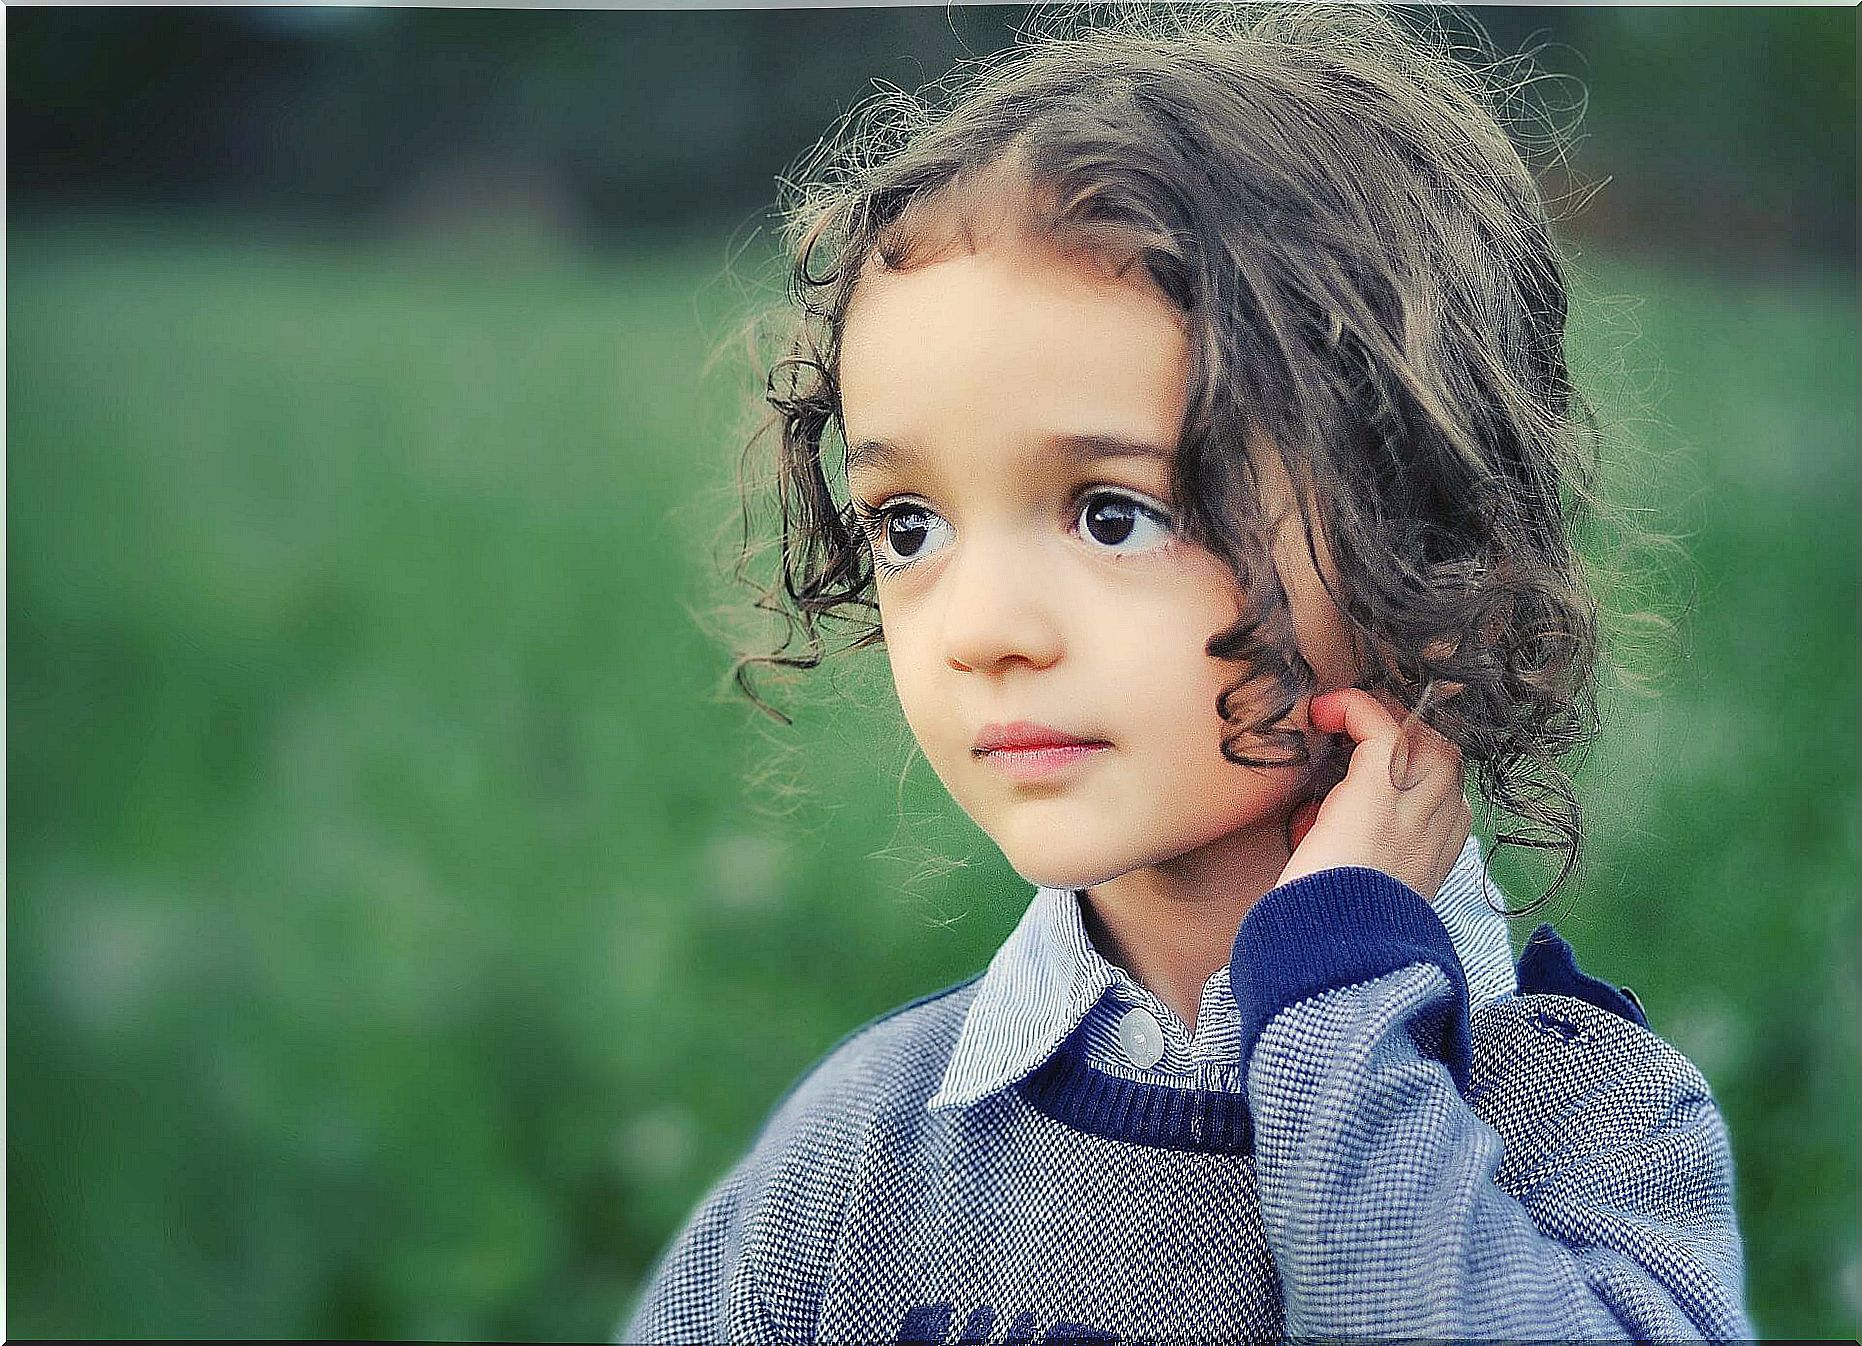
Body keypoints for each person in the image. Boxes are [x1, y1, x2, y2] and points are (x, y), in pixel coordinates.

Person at [621, 5, 1752, 1340]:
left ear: (1430, 544)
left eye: (1114, 512)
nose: (980, 626)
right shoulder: (856, 1155)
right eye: (906, 524)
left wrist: (1336, 1018)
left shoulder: (1587, 1132)